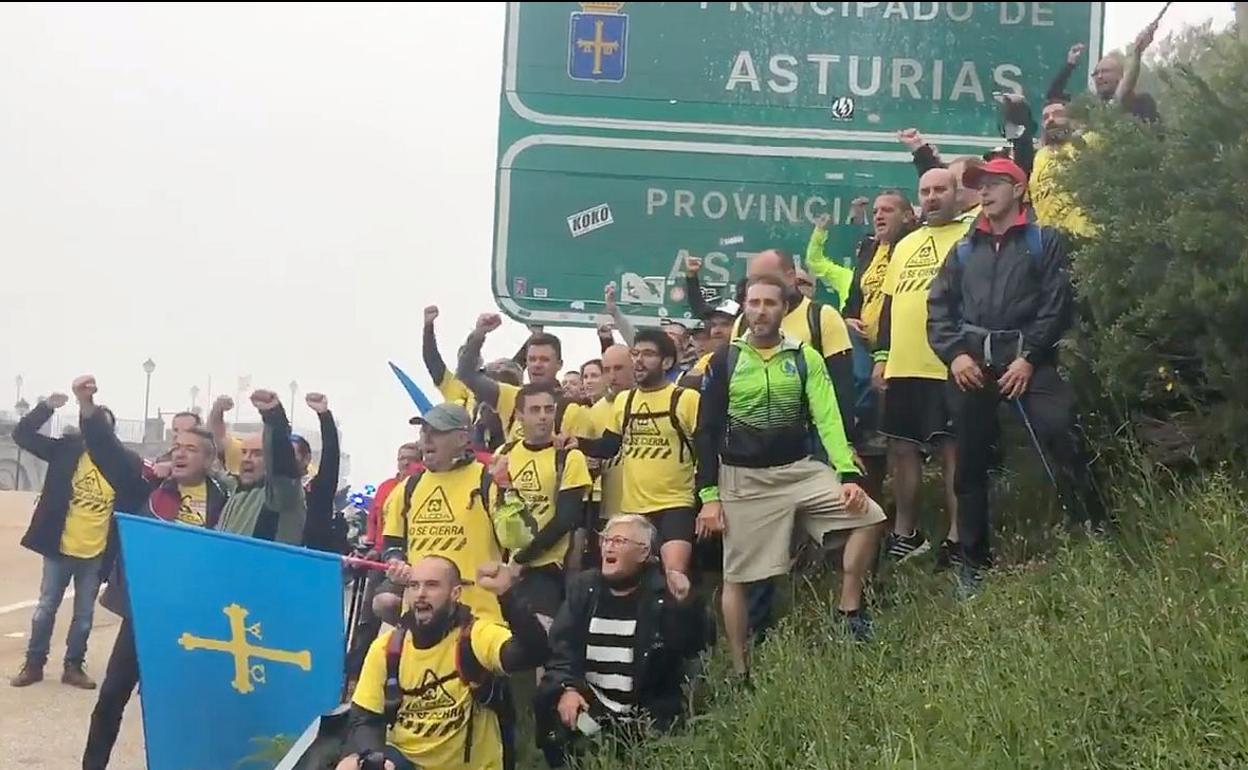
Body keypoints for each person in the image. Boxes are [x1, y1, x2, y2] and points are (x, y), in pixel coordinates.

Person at [697, 276, 887, 678]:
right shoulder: (724, 359)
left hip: (798, 470)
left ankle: (848, 610)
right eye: (754, 303)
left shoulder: (804, 356)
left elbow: (827, 417)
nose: (761, 310)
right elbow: (707, 430)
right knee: (738, 577)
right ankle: (740, 669)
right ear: (744, 308)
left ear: (785, 309)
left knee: (869, 516)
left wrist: (847, 472)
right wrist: (709, 496)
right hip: (743, 478)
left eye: (770, 303)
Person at [929, 157, 1099, 596]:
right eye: (979, 185)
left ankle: (1093, 531)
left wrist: (1029, 358)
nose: (983, 192)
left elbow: (1057, 304)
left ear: (1019, 190)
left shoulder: (1044, 240)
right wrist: (954, 356)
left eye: (994, 184)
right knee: (968, 464)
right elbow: (939, 307)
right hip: (974, 364)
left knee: (1063, 432)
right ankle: (973, 562)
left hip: (1030, 360)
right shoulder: (965, 247)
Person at [83, 426, 228, 770]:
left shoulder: (227, 500)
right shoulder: (147, 489)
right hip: (144, 614)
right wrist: (88, 408)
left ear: (209, 460)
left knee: (180, 707)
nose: (180, 453)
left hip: (194, 619)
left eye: (191, 449)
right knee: (111, 697)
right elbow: (108, 453)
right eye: (177, 447)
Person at [729, 248, 857, 637]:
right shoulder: (742, 323)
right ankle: (759, 624)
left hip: (817, 438)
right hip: (758, 452)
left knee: (837, 524)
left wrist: (844, 447)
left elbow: (842, 386)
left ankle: (845, 608)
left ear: (789, 275)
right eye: (752, 285)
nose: (758, 293)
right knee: (765, 537)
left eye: (766, 281)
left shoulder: (822, 315)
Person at [336, 556, 550, 770]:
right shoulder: (387, 648)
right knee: (350, 765)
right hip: (405, 760)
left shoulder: (475, 636)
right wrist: (374, 758)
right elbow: (364, 718)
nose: (420, 593)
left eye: (432, 585)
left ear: (455, 593)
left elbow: (533, 653)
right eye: (414, 585)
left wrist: (508, 596)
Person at [535, 515, 707, 767]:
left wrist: (684, 605)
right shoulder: (585, 588)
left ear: (643, 552)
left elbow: (688, 646)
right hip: (591, 713)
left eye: (619, 540)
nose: (608, 546)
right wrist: (567, 688)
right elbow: (561, 647)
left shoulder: (661, 593)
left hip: (646, 722)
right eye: (606, 540)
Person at [10, 376, 147, 690]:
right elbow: (22, 434)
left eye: (104, 430)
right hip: (60, 547)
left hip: (96, 551)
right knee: (45, 609)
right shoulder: (65, 451)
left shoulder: (126, 463)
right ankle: (33, 664)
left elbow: (143, 493)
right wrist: (46, 408)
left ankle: (73, 666)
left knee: (84, 615)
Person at [873, 168, 973, 567]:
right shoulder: (906, 243)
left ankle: (957, 537)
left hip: (948, 364)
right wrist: (882, 357)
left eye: (940, 189)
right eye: (925, 191)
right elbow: (889, 305)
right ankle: (905, 533)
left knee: (953, 453)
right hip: (903, 365)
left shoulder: (970, 235)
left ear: (956, 193)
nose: (932, 197)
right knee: (902, 449)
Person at [813, 193, 917, 504]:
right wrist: (847, 317)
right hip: (862, 335)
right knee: (850, 374)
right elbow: (854, 294)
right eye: (875, 211)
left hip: (899, 338)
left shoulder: (912, 245)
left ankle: (870, 433)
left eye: (888, 210)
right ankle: (850, 436)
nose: (879, 215)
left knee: (875, 386)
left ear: (909, 216)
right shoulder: (871, 248)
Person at [573, 330, 700, 576]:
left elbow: (706, 450)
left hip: (676, 505)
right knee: (630, 580)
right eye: (636, 353)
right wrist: (575, 442)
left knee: (675, 576)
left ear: (667, 362)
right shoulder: (625, 401)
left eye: (648, 354)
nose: (639, 360)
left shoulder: (686, 399)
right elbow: (609, 447)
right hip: (632, 509)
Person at [379, 404, 504, 624]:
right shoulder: (409, 486)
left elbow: (517, 540)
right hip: (421, 618)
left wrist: (508, 490)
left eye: (436, 432)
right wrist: (395, 562)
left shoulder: (487, 480)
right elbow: (391, 543)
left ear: (462, 438)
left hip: (477, 619)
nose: (426, 439)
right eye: (423, 431)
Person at [490, 382, 593, 626]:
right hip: (504, 562)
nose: (544, 416)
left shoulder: (568, 456)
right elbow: (495, 508)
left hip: (547, 565)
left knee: (538, 633)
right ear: (520, 415)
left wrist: (521, 560)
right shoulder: (504, 453)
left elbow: (565, 519)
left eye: (549, 409)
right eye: (535, 410)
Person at [456, 314, 593, 442]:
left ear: (559, 364)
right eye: (532, 359)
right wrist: (479, 333)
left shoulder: (573, 409)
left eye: (544, 360)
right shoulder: (511, 396)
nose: (537, 365)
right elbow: (466, 374)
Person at [212, 391, 307, 544]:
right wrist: (217, 410)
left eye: (257, 454)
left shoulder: (282, 495)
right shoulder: (237, 488)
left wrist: (273, 415)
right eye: (244, 452)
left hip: (267, 567)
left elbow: (281, 463)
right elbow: (210, 452)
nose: (247, 459)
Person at [580, 344, 635, 568]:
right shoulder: (596, 411)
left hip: (646, 506)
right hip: (608, 508)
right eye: (607, 369)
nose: (612, 376)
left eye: (619, 368)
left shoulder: (648, 400)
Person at [1045, 38, 1159, 122]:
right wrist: (1069, 65)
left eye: (1105, 71)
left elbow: (1125, 90)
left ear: (1120, 75)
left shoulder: (1141, 101)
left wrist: (1137, 53)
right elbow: (1054, 95)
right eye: (1096, 73)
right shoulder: (1090, 108)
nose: (1099, 76)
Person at [294, 392, 343, 552]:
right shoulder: (271, 488)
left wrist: (324, 415)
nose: (285, 459)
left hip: (313, 559)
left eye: (291, 454)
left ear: (306, 458)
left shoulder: (319, 487)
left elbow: (331, 455)